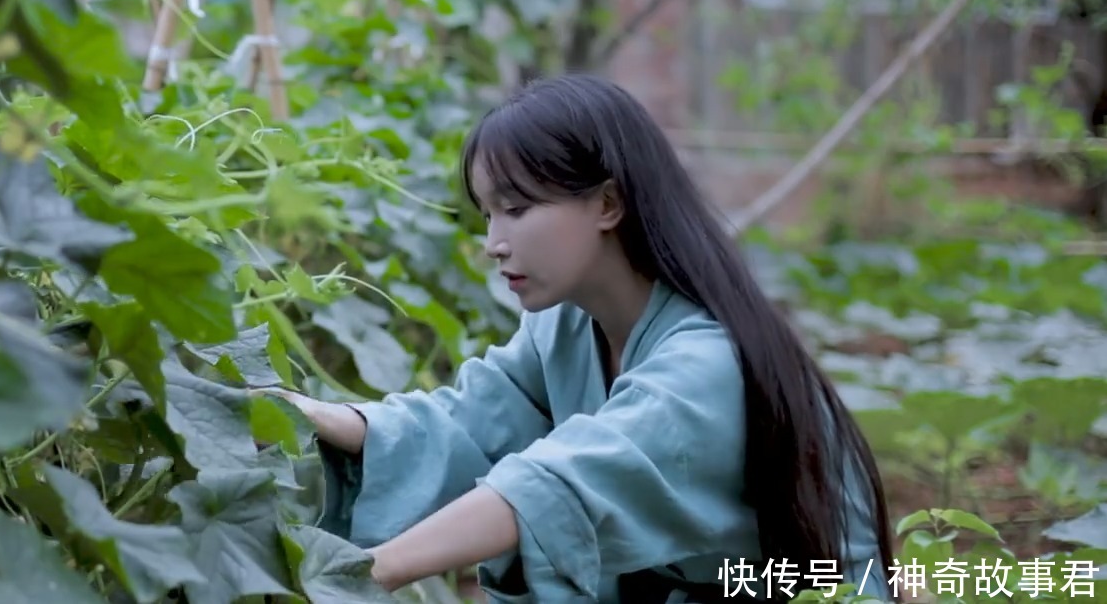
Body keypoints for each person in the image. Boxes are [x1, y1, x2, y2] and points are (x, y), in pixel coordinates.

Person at [265, 74, 894, 603]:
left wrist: (360, 575)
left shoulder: (706, 365)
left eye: (516, 208)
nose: (494, 242)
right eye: (487, 214)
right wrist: (320, 415)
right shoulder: (564, 326)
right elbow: (471, 423)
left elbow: (557, 486)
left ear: (608, 203)